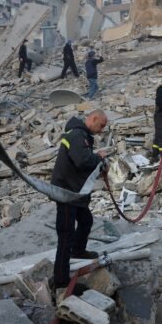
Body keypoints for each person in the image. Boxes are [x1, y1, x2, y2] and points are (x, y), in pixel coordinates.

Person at [50, 110, 108, 291]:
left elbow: (81, 163)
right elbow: (82, 161)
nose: (101, 130)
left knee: (86, 220)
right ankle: (61, 281)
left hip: (74, 192)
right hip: (67, 193)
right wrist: (98, 158)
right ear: (93, 118)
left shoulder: (81, 135)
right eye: (101, 125)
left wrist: (98, 165)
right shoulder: (77, 135)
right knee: (66, 234)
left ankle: (78, 250)